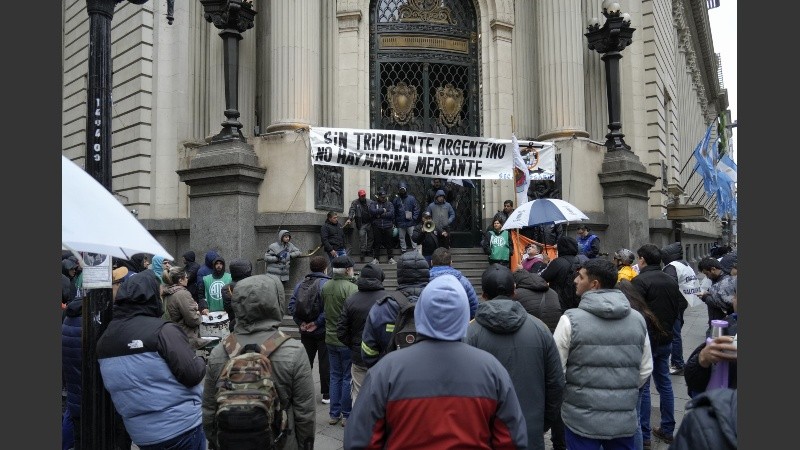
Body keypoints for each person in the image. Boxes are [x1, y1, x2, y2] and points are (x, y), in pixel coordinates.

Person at [344, 275, 529, 449]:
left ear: (421, 312)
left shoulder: (386, 370)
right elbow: (512, 440)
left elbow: (360, 440)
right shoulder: (492, 370)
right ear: (465, 314)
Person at [201, 274, 316, 450]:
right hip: (281, 441)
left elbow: (209, 410)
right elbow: (305, 414)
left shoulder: (219, 352)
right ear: (276, 303)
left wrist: (216, 442)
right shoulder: (294, 352)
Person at [97, 271, 207, 449]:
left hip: (141, 435)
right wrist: (200, 361)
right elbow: (193, 374)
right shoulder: (164, 331)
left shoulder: (104, 340)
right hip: (180, 426)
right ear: (151, 297)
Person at [553, 258, 653, 449]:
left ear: (594, 284)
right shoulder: (637, 319)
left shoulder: (569, 320)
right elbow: (645, 369)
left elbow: (557, 370)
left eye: (580, 277)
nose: (575, 280)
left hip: (580, 419)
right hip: (622, 418)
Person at [466, 264, 564, 450]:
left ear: (483, 295)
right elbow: (556, 384)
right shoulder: (540, 329)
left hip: (484, 435)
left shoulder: (469, 333)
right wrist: (542, 424)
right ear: (514, 292)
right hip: (530, 432)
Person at [631, 244, 686, 446]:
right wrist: (670, 323)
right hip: (666, 339)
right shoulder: (669, 280)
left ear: (642, 259)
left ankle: (645, 435)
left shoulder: (639, 281)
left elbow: (634, 311)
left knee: (644, 387)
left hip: (648, 341)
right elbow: (682, 304)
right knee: (664, 384)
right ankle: (667, 429)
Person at [617, 279, 671, 450]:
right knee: (637, 420)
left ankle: (646, 435)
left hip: (633, 371)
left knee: (633, 417)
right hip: (648, 361)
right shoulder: (645, 313)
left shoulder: (629, 318)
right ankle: (648, 436)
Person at [361, 250, 430, 368]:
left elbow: (368, 352)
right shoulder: (440, 305)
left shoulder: (381, 308)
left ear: (399, 275)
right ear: (426, 273)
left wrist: (383, 372)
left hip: (392, 379)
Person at [336, 263, 389, 404]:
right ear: (380, 278)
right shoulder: (388, 300)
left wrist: (354, 344)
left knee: (358, 394)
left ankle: (358, 424)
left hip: (359, 356)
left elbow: (341, 331)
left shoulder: (351, 300)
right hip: (382, 357)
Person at [288, 256, 332, 405]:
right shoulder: (327, 284)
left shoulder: (300, 284)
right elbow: (328, 309)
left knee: (306, 362)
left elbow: (291, 306)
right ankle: (326, 394)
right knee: (325, 362)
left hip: (305, 330)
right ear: (325, 268)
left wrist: (301, 323)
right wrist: (317, 323)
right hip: (322, 329)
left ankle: (302, 392)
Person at [321, 255, 358, 426]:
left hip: (330, 337)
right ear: (347, 270)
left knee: (334, 375)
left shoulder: (326, 286)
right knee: (346, 377)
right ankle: (347, 414)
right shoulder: (351, 288)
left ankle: (333, 414)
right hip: (346, 339)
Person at [684, 290, 738, 396]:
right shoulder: (729, 322)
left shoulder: (728, 329)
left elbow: (695, 386)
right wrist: (702, 359)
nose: (732, 299)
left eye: (735, 296)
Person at [661, 242, 700, 376]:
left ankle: (678, 363)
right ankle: (677, 362)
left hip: (674, 304)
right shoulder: (684, 264)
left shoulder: (672, 267)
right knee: (676, 333)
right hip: (682, 301)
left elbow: (668, 285)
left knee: (675, 335)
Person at [61, 272, 83, 450]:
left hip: (71, 375)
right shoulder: (86, 321)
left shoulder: (68, 317)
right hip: (82, 377)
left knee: (71, 410)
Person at [162, 265, 205, 350]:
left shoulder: (168, 293)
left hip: (173, 334)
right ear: (180, 280)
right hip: (185, 337)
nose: (187, 279)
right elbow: (192, 320)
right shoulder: (182, 294)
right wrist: (198, 313)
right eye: (186, 277)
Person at [429, 247, 479, 319]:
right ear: (451, 262)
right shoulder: (463, 281)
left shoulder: (425, 281)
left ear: (431, 262)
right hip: (458, 325)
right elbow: (474, 306)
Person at [540, 235, 582, 312]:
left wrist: (545, 264)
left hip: (559, 303)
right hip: (578, 302)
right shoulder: (582, 260)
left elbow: (542, 279)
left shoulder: (558, 262)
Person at [697, 256, 736, 336]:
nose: (707, 277)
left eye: (707, 274)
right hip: (716, 321)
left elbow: (722, 303)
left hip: (722, 324)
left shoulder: (725, 282)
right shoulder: (717, 279)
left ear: (713, 269)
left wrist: (705, 297)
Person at [220, 258, 253, 332]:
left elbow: (228, 308)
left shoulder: (226, 288)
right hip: (251, 326)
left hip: (234, 326)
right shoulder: (252, 286)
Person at [343, 189, 375, 262]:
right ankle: (363, 251)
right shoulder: (355, 202)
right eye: (362, 196)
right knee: (362, 237)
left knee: (371, 237)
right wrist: (350, 219)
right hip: (361, 223)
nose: (363, 197)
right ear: (359, 196)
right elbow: (352, 210)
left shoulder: (370, 202)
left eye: (364, 195)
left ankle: (369, 250)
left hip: (370, 222)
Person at [369, 188, 396, 265]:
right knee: (377, 243)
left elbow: (391, 214)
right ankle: (376, 259)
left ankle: (390, 258)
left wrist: (380, 215)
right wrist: (383, 210)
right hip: (377, 226)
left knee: (389, 243)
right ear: (378, 197)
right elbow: (372, 211)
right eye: (382, 197)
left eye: (384, 197)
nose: (383, 198)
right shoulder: (373, 203)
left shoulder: (389, 204)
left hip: (388, 226)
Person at [392, 181, 420, 253]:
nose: (402, 191)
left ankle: (415, 249)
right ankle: (403, 249)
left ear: (406, 189)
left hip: (410, 222)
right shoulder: (396, 200)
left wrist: (414, 218)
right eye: (401, 189)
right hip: (401, 222)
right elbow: (394, 211)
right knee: (401, 237)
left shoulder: (411, 199)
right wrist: (395, 221)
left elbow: (416, 209)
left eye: (403, 189)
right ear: (399, 190)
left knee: (413, 236)